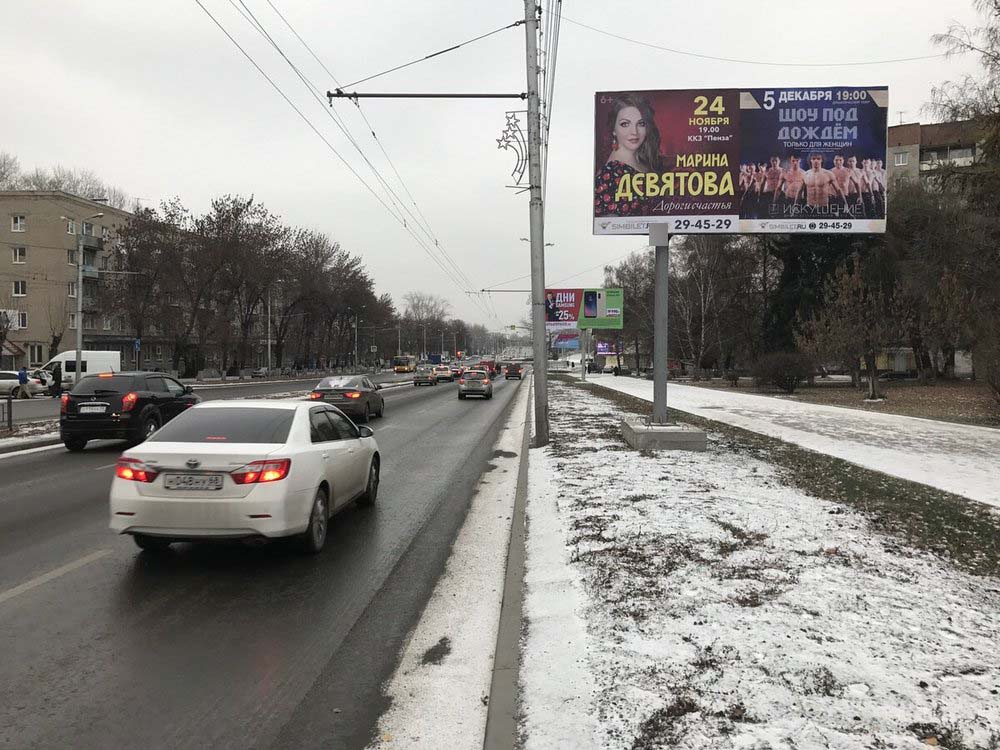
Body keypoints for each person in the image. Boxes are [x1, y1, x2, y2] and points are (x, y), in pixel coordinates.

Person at [594, 94, 664, 216]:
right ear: (614, 130)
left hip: (658, 232)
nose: (634, 132)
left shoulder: (644, 160)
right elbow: (611, 226)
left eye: (641, 124)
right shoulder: (610, 175)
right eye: (625, 124)